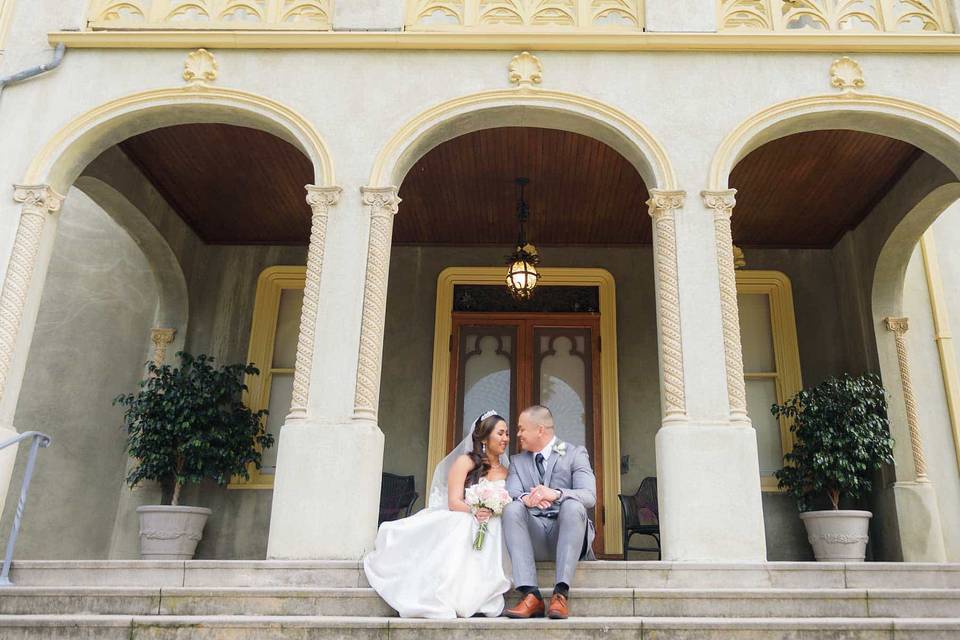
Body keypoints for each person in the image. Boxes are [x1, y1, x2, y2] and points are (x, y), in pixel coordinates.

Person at [363, 410, 512, 618]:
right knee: (464, 526)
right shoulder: (465, 462)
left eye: (507, 434)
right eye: (501, 433)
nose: (506, 439)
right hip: (464, 514)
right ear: (485, 437)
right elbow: (453, 502)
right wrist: (476, 510)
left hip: (494, 522)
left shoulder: (508, 470)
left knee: (494, 526)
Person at [502, 405, 596, 620]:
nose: (517, 435)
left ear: (540, 430)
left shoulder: (574, 453)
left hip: (567, 534)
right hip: (534, 535)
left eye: (521, 429)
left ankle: (561, 594)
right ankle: (531, 595)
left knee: (573, 504)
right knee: (513, 507)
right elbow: (512, 492)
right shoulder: (517, 461)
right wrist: (526, 498)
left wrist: (555, 494)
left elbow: (589, 496)